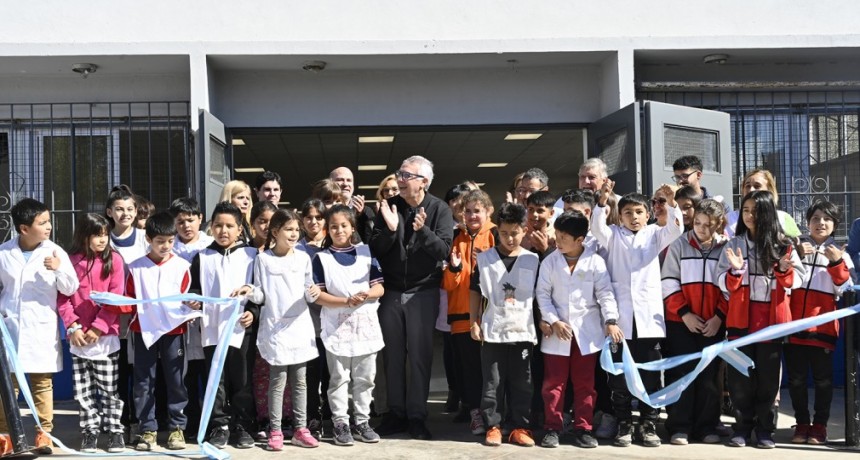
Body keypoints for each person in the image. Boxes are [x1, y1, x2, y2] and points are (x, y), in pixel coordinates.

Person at [591, 180, 684, 448]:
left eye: (639, 212)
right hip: (620, 321)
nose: (634, 217)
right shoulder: (611, 235)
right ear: (619, 216)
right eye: (628, 212)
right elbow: (597, 228)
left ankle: (648, 423)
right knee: (619, 376)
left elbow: (676, 229)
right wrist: (601, 202)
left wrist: (673, 202)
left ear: (649, 214)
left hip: (648, 321)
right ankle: (623, 422)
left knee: (650, 375)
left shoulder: (655, 234)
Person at [370, 155, 453, 440]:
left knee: (419, 356)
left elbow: (444, 250)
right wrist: (392, 229)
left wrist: (423, 230)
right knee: (392, 356)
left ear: (424, 182)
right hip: (391, 292)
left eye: (406, 176)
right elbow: (376, 248)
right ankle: (396, 413)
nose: (400, 180)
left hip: (423, 292)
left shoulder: (439, 209)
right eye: (400, 174)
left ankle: (417, 415)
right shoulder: (390, 207)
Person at [717, 190, 804, 449]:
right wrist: (735, 271)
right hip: (738, 323)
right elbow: (721, 283)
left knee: (768, 381)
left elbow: (797, 281)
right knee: (739, 379)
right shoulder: (733, 244)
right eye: (746, 210)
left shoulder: (784, 245)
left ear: (768, 213)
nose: (750, 215)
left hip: (771, 324)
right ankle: (742, 428)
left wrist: (783, 270)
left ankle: (765, 430)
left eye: (756, 210)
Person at [537, 210, 622, 449]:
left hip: (586, 332)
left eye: (564, 237)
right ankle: (552, 427)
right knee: (553, 383)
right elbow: (542, 295)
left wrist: (611, 320)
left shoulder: (595, 261)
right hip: (557, 333)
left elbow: (605, 294)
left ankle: (583, 428)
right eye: (557, 234)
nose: (558, 240)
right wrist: (553, 320)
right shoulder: (550, 261)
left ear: (580, 239)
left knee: (585, 384)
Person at [0, 198, 79, 454]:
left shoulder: (55, 252)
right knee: (6, 384)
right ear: (24, 228)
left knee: (42, 383)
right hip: (10, 327)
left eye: (48, 221)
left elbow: (71, 287)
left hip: (40, 329)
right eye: (42, 222)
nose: (48, 227)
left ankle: (43, 434)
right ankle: (5, 435)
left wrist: (58, 270)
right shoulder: (4, 252)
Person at [237, 209, 321, 450]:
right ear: (275, 231)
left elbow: (308, 288)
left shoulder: (304, 258)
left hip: (300, 327)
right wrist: (249, 290)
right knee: (278, 380)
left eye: (296, 230)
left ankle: (300, 428)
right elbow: (262, 294)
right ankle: (275, 430)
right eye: (289, 229)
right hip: (275, 328)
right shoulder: (263, 259)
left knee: (301, 381)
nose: (294, 234)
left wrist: (312, 292)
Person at [117, 211, 192, 451]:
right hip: (143, 331)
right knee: (143, 381)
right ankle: (147, 429)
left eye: (170, 241)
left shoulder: (183, 266)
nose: (166, 246)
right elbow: (128, 299)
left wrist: (193, 306)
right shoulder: (135, 267)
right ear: (148, 239)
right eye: (160, 241)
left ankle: (176, 428)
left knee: (176, 380)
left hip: (174, 331)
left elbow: (187, 297)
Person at [188, 202, 259, 450]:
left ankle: (242, 424)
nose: (223, 230)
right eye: (218, 225)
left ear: (240, 229)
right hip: (211, 328)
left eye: (229, 226)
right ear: (210, 227)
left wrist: (252, 312)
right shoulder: (202, 257)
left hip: (241, 329)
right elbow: (194, 288)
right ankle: (219, 425)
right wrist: (194, 300)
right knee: (214, 379)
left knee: (241, 378)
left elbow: (258, 291)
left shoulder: (252, 255)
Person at [313, 204, 386, 446]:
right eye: (333, 226)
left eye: (343, 225)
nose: (338, 230)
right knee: (339, 379)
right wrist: (345, 300)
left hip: (365, 326)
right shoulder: (321, 259)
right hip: (337, 328)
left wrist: (365, 294)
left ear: (352, 227)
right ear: (327, 229)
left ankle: (362, 421)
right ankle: (340, 423)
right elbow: (318, 296)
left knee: (365, 377)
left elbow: (380, 287)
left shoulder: (366, 252)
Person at [468, 203, 539, 447]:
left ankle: (520, 426)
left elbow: (540, 297)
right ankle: (493, 425)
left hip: (522, 330)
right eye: (505, 233)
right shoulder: (485, 259)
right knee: (492, 382)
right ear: (497, 231)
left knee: (522, 381)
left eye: (515, 233)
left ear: (524, 230)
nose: (510, 238)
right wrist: (473, 322)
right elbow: (475, 292)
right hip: (493, 329)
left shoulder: (533, 260)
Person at [785, 201, 854, 445]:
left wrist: (836, 263)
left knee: (824, 380)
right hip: (793, 326)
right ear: (807, 222)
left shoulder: (841, 253)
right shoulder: (796, 250)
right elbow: (786, 280)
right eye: (815, 218)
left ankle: (820, 426)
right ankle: (802, 423)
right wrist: (798, 257)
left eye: (826, 218)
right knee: (796, 379)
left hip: (823, 327)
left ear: (835, 224)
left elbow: (845, 290)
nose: (820, 223)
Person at [660, 199, 728, 445]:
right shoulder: (678, 245)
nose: (701, 228)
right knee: (681, 373)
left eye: (708, 225)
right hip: (681, 322)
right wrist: (684, 313)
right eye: (698, 222)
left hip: (713, 324)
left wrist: (719, 317)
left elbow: (728, 288)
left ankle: (706, 426)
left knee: (709, 376)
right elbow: (668, 281)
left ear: (719, 225)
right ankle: (679, 426)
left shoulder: (726, 249)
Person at [57, 214, 126, 453]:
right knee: (83, 392)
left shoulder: (115, 260)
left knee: (108, 389)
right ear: (84, 235)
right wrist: (73, 327)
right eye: (97, 235)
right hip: (78, 339)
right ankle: (89, 432)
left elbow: (116, 298)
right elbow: (63, 298)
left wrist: (99, 327)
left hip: (105, 338)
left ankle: (115, 430)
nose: (102, 240)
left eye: (106, 235)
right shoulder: (70, 260)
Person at [441, 190, 497, 436]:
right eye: (468, 211)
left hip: (492, 316)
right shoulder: (454, 238)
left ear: (488, 211)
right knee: (468, 369)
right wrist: (453, 268)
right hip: (461, 315)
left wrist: (487, 262)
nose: (473, 215)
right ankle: (475, 412)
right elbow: (447, 284)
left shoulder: (497, 234)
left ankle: (494, 415)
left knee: (493, 370)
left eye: (478, 210)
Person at [168, 197, 212, 437]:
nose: (186, 226)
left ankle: (211, 420)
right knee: (184, 375)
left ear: (200, 219)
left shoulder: (210, 245)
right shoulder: (168, 247)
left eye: (191, 220)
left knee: (208, 371)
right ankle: (189, 422)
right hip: (177, 321)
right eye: (180, 221)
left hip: (206, 321)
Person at [726, 169, 800, 238]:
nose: (751, 190)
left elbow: (798, 242)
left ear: (769, 190)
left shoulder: (783, 218)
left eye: (757, 186)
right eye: (747, 186)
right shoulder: (729, 218)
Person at [106, 185, 149, 264]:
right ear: (109, 212)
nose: (125, 213)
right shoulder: (105, 239)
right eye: (119, 209)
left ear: (135, 211)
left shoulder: (145, 237)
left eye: (130, 209)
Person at [523, 191, 556, 258]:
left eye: (540, 211)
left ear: (551, 213)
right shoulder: (520, 231)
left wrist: (545, 249)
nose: (534, 214)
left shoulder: (557, 233)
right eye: (531, 209)